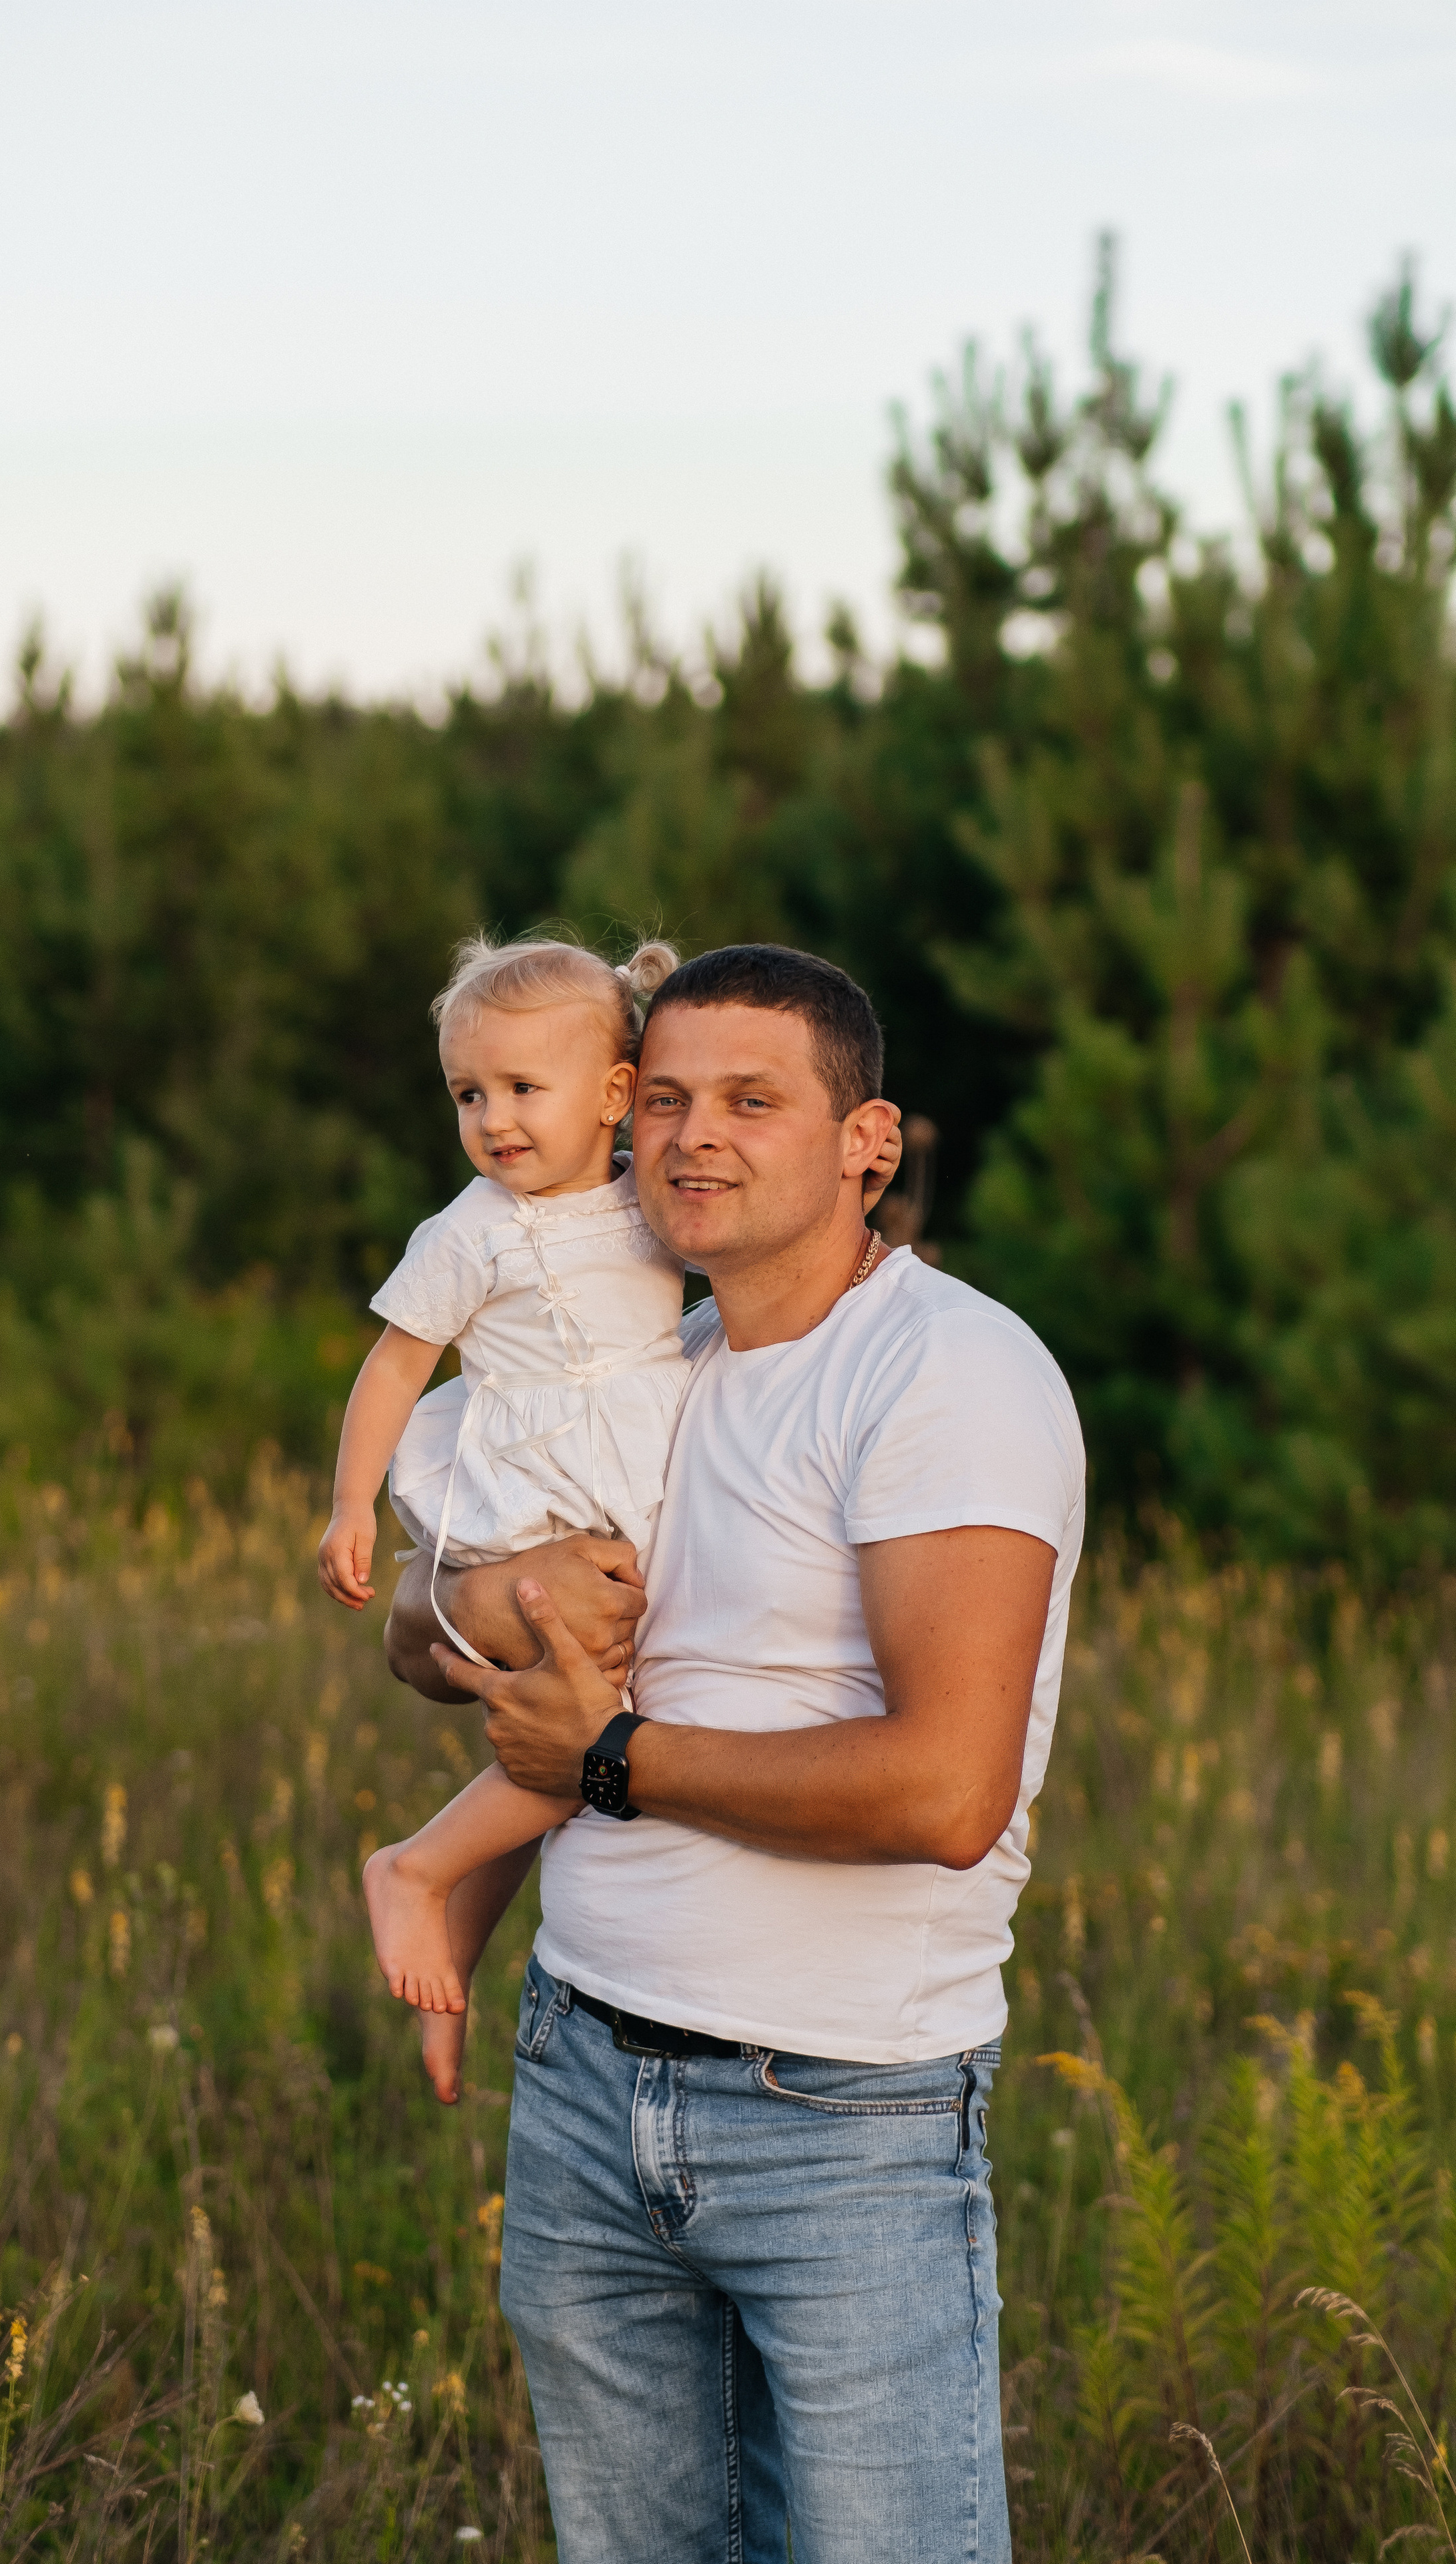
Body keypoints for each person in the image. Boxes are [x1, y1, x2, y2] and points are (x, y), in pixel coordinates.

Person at [385, 943, 1086, 2564]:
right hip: (579, 2084)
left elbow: (942, 1792)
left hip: (837, 2119)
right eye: (668, 1099)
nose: (695, 1137)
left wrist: (615, 1753)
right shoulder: (650, 1365)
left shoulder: (946, 1374)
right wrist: (489, 1588)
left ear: (868, 1142)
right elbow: (415, 1644)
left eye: (754, 1101)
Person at [320, 929, 907, 2016]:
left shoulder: (648, 1196)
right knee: (592, 1712)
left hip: (621, 1469)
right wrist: (353, 1506)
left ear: (608, 1096)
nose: (493, 1120)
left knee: (598, 1722)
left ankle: (432, 1880)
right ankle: (425, 1869)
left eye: (523, 1088)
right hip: (538, 1487)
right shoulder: (473, 1232)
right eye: (468, 1094)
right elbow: (395, 1363)